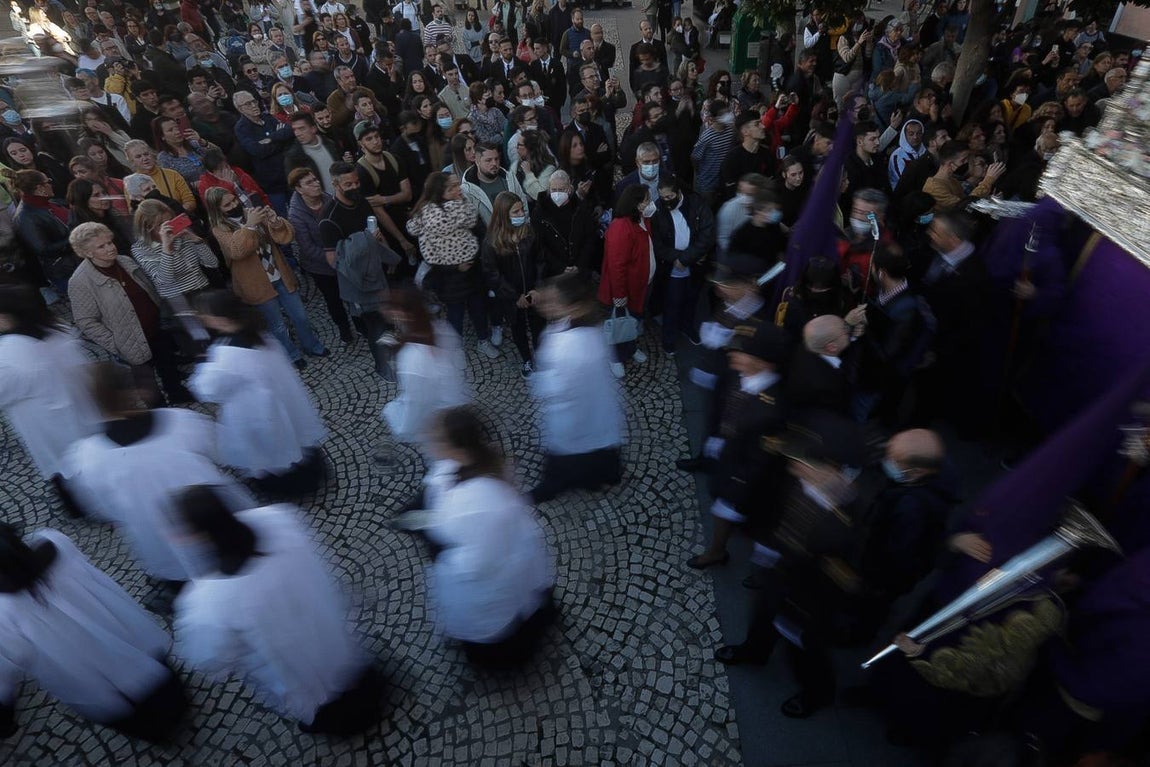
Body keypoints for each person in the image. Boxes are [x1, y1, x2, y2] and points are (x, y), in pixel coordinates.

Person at [172, 486, 380, 734]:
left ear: (194, 536)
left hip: (295, 667)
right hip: (328, 626)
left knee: (313, 687)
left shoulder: (208, 603)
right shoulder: (280, 518)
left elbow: (211, 658)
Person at [66, 361, 254, 586]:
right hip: (218, 517)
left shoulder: (87, 458)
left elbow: (104, 509)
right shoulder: (181, 420)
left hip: (158, 537)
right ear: (133, 389)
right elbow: (223, 449)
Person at [0, 524, 186, 742]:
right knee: (152, 667)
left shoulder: (4, 611)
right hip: (116, 626)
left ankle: (158, 733)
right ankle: (179, 706)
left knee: (126, 706)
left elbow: (15, 656)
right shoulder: (54, 542)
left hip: (80, 666)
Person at [415, 406, 555, 667]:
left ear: (455, 447)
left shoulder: (478, 503)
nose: (428, 442)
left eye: (435, 438)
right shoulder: (477, 464)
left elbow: (479, 563)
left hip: (489, 582)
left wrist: (441, 554)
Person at [189, 290, 328, 494]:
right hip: (282, 404)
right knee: (293, 440)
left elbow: (206, 389)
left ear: (220, 319)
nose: (202, 318)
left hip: (258, 415)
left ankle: (290, 488)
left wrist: (203, 361)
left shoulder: (227, 356)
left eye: (205, 314)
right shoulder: (261, 334)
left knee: (272, 453)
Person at [686, 321, 789, 569]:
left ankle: (721, 553)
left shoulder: (771, 410)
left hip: (742, 478)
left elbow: (759, 462)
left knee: (737, 517)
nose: (733, 354)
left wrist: (734, 491)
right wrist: (716, 436)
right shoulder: (736, 372)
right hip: (728, 457)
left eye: (743, 352)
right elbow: (721, 404)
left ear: (764, 363)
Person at [0, 282, 99, 518]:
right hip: (81, 410)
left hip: (45, 424)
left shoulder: (9, 351)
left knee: (62, 465)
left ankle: (83, 507)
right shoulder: (58, 332)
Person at [67, 222, 192, 405]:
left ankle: (177, 394)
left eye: (110, 242)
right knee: (147, 384)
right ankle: (159, 411)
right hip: (130, 341)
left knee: (169, 366)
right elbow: (86, 321)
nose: (110, 248)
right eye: (101, 246)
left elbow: (149, 289)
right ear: (87, 252)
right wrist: (116, 344)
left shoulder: (125, 261)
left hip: (157, 328)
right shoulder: (80, 281)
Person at [204, 186, 327, 368]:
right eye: (227, 205)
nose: (233, 205)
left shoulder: (251, 213)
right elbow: (237, 251)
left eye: (234, 200)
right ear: (218, 210)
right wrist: (250, 226)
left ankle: (312, 345)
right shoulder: (219, 229)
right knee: (277, 325)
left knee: (300, 316)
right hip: (256, 283)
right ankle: (291, 355)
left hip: (279, 274)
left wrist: (275, 222)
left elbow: (284, 238)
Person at [529, 272, 625, 502]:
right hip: (598, 410)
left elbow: (553, 388)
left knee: (564, 460)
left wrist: (537, 381)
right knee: (600, 448)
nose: (545, 304)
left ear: (572, 307)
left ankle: (555, 485)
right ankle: (604, 476)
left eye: (553, 301)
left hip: (573, 418)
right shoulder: (593, 327)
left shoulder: (564, 345)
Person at [406, 172, 498, 358]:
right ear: (440, 192)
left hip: (472, 272)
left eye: (457, 185)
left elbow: (478, 231)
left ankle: (482, 340)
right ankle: (456, 348)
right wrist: (455, 267)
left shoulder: (464, 207)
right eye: (452, 188)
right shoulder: (431, 217)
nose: (458, 190)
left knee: (478, 309)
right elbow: (431, 256)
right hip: (449, 278)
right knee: (455, 315)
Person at [379, 288, 470, 453]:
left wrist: (400, 424)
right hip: (455, 407)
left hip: (441, 423)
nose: (383, 310)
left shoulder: (412, 358)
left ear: (402, 314)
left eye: (389, 307)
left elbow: (417, 403)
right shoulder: (442, 328)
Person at [650, 175, 714, 355]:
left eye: (669, 197)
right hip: (673, 267)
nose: (666, 202)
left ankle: (687, 327)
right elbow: (657, 244)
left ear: (678, 192)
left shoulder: (696, 203)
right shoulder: (658, 210)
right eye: (663, 198)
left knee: (691, 299)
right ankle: (669, 338)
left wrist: (686, 259)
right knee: (672, 303)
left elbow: (707, 235)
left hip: (693, 265)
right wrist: (677, 258)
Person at [481, 191, 544, 376]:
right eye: (515, 212)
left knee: (538, 327)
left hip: (533, 293)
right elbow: (492, 275)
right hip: (511, 298)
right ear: (503, 215)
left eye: (521, 210)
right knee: (518, 330)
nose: (521, 215)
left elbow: (540, 261)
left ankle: (541, 357)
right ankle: (526, 359)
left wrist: (537, 288)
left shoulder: (530, 232)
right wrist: (514, 296)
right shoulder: (491, 243)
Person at [288, 167, 354, 343]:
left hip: (343, 257)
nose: (316, 183)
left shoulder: (328, 198)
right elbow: (307, 247)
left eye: (315, 179)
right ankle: (344, 328)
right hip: (321, 267)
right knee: (333, 300)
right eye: (309, 182)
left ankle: (359, 322)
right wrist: (335, 257)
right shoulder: (296, 214)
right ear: (299, 189)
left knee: (352, 295)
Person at [600, 184, 654, 378]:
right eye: (647, 200)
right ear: (636, 203)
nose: (650, 203)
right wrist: (619, 295)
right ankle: (615, 357)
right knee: (618, 323)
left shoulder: (642, 219)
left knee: (631, 321)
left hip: (639, 287)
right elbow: (617, 266)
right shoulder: (621, 227)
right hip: (624, 290)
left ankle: (630, 349)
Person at [130, 199, 219, 301]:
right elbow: (164, 280)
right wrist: (166, 248)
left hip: (204, 290)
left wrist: (196, 240)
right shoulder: (141, 248)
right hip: (179, 301)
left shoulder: (181, 235)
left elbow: (213, 263)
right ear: (148, 228)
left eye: (170, 220)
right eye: (162, 224)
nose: (169, 227)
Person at [532, 170, 598, 277]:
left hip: (580, 269)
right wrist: (560, 267)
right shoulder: (540, 212)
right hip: (553, 273)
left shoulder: (580, 208)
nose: (557, 193)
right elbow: (540, 245)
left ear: (569, 189)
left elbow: (590, 237)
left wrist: (580, 265)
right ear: (549, 189)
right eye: (554, 189)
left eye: (561, 189)